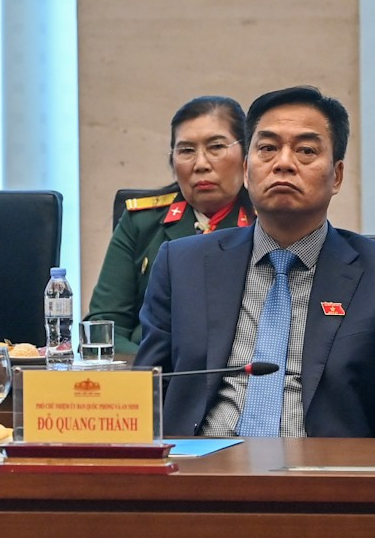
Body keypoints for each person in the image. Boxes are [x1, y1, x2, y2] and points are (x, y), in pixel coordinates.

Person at [134, 86, 375, 438]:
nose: (283, 163)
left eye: (306, 151)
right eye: (267, 148)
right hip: (199, 469)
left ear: (337, 175)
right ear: (248, 171)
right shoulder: (182, 263)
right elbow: (149, 385)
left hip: (324, 474)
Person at [88, 95, 252, 349]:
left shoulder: (266, 224)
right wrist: (153, 370)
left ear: (247, 155)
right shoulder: (142, 223)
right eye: (186, 150)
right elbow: (103, 328)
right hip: (150, 377)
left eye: (216, 147)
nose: (200, 164)